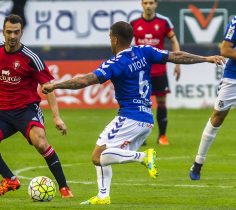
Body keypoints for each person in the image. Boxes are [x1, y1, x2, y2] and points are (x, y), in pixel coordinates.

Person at [41, 21, 225, 205]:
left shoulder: (115, 63)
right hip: (146, 118)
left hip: (130, 117)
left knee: (98, 157)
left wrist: (55, 85)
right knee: (104, 146)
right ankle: (103, 195)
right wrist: (206, 58)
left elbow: (84, 81)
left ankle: (144, 157)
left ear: (114, 39)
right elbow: (176, 55)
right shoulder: (144, 51)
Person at [0, 14, 73, 198]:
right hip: (3, 111)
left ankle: (64, 188)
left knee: (41, 143)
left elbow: (49, 88)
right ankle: (10, 179)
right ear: (3, 31)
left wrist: (56, 117)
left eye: (17, 32)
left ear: (22, 32)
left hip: (26, 110)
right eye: (9, 32)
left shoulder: (31, 58)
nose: (13, 36)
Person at [189, 16, 236, 181]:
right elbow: (226, 50)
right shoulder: (235, 21)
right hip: (233, 79)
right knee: (217, 118)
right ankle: (198, 162)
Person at [130, 0, 181, 145]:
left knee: (161, 102)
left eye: (151, 2)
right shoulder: (134, 23)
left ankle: (162, 136)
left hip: (159, 70)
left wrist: (177, 63)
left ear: (156, 4)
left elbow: (174, 41)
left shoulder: (164, 22)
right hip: (140, 71)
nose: (148, 6)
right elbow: (127, 45)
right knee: (140, 103)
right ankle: (141, 137)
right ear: (141, 4)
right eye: (145, 2)